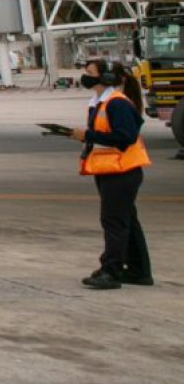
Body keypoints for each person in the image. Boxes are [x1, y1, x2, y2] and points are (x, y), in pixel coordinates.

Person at [69, 59, 154, 288]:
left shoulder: (117, 104)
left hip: (122, 170)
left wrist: (87, 136)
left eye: (89, 73)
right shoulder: (99, 102)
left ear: (105, 78)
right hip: (110, 169)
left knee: (113, 221)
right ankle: (139, 271)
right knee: (126, 220)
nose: (85, 76)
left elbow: (125, 138)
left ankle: (112, 270)